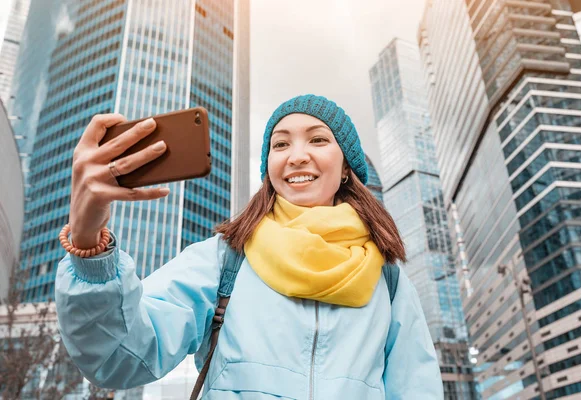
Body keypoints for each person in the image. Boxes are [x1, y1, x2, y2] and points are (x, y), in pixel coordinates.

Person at [55, 94, 443, 399]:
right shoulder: (225, 259)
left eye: (318, 139)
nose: (297, 155)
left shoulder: (387, 280)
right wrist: (89, 246)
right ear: (268, 167)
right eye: (280, 144)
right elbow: (119, 356)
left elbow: (417, 390)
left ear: (346, 167)